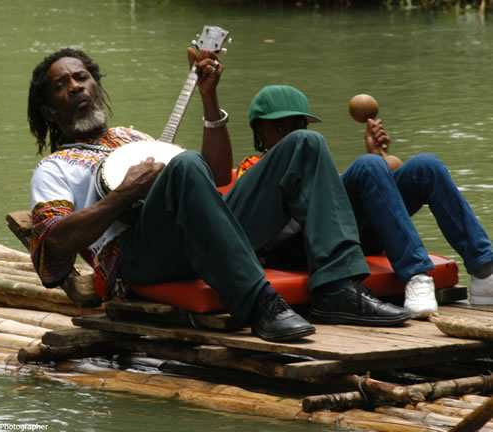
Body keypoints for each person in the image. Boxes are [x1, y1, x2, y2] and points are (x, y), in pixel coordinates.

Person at [26, 48, 411, 344]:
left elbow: (210, 175)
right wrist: (125, 192)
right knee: (186, 163)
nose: (76, 86)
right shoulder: (54, 169)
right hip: (140, 259)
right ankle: (260, 304)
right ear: (47, 110)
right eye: (62, 85)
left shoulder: (136, 138)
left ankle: (337, 288)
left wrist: (209, 99)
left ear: (97, 87)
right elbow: (54, 244)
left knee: (305, 143)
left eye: (81, 78)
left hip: (203, 235)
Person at [236, 84, 493, 318]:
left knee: (426, 166)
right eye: (280, 129)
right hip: (298, 247)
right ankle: (416, 275)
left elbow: (341, 200)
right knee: (367, 166)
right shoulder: (254, 169)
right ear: (259, 131)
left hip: (343, 237)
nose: (291, 136)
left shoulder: (312, 160)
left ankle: (484, 271)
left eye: (297, 128)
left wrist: (377, 157)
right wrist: (370, 166)